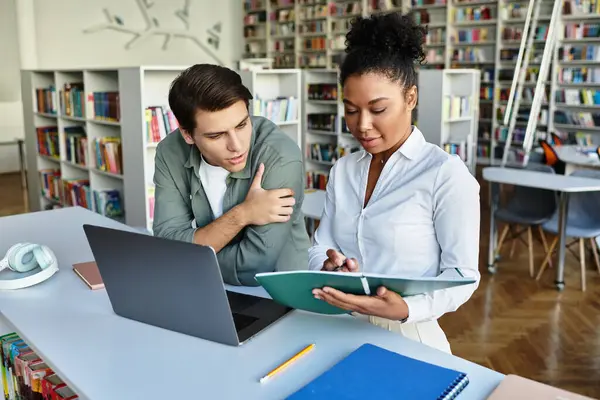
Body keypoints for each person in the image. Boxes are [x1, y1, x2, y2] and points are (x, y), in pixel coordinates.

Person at [308, 13, 481, 354]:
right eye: (352, 110)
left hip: (407, 336)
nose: (363, 125)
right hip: (335, 326)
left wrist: (406, 309)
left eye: (378, 109)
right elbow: (318, 246)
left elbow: (464, 275)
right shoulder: (343, 170)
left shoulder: (445, 174)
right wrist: (327, 265)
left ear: (411, 98)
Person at [152, 64, 311, 286]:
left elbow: (254, 265)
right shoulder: (170, 152)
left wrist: (188, 256)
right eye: (216, 136)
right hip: (206, 286)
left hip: (279, 294)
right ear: (188, 135)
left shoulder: (280, 156)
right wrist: (244, 213)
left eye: (242, 125)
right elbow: (167, 243)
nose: (236, 146)